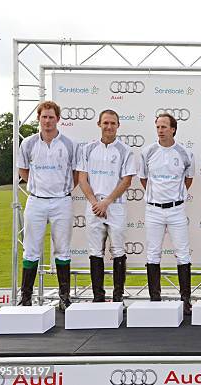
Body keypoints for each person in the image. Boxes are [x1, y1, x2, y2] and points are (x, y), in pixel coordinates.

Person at [17, 100, 78, 311]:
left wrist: (62, 189)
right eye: (44, 117)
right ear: (38, 118)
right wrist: (38, 186)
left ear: (58, 119)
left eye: (52, 117)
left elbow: (76, 174)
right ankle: (26, 297)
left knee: (62, 250)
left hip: (62, 201)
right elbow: (23, 171)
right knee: (31, 250)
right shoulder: (28, 143)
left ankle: (64, 297)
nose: (48, 121)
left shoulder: (69, 144)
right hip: (36, 201)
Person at [77, 109, 136, 303]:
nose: (109, 126)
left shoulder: (126, 151)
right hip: (94, 207)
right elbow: (82, 179)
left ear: (118, 125)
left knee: (118, 250)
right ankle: (98, 296)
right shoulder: (87, 149)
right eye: (105, 123)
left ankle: (118, 296)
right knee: (95, 251)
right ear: (99, 124)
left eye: (113, 123)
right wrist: (95, 202)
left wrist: (107, 202)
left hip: (115, 206)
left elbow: (126, 181)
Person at [139, 113, 194, 315]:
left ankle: (185, 299)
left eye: (164, 127)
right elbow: (144, 179)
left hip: (177, 210)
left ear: (173, 129)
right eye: (158, 127)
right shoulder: (148, 152)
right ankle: (155, 297)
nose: (160, 130)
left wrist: (175, 196)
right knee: (153, 253)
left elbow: (188, 179)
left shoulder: (184, 153)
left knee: (183, 254)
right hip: (153, 209)